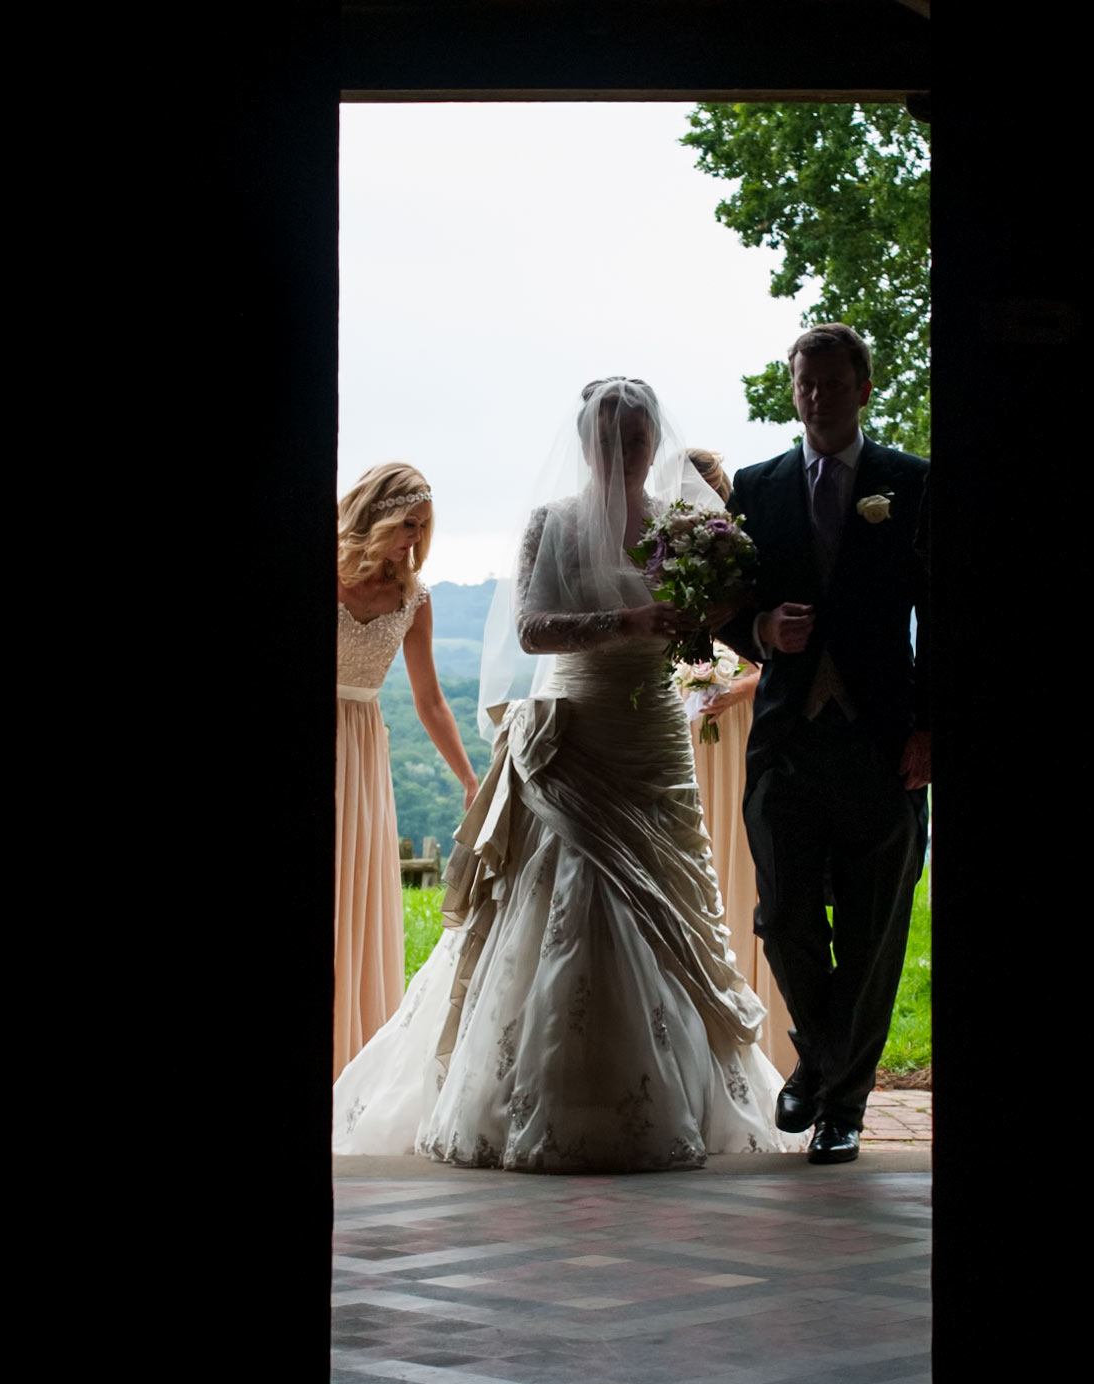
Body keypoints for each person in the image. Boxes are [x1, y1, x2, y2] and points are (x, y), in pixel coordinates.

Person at [332, 379, 798, 1169]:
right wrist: (629, 620)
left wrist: (709, 620)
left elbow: (722, 619)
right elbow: (532, 628)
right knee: (568, 896)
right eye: (611, 439)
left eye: (638, 438)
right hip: (573, 736)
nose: (626, 452)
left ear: (653, 441)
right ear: (587, 444)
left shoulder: (690, 528)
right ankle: (542, 1093)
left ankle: (679, 1092)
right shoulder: (551, 525)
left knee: (668, 902)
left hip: (652, 734)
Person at [720, 323, 931, 1164]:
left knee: (876, 926)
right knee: (784, 917)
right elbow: (725, 602)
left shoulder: (910, 484)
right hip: (785, 737)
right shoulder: (755, 486)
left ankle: (840, 1105)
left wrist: (929, 727)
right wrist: (760, 627)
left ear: (863, 389)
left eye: (834, 384)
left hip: (886, 741)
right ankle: (822, 1058)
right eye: (806, 384)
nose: (818, 399)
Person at [335, 463, 479, 1078]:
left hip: (365, 748)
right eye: (407, 524)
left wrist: (471, 780)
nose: (413, 540)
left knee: (356, 891)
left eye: (422, 529)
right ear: (376, 515)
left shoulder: (413, 599)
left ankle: (350, 1057)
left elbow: (430, 700)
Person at [680, 449, 794, 1078]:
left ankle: (767, 1046)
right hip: (689, 727)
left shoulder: (742, 551)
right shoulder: (669, 552)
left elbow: (764, 646)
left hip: (743, 719)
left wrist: (737, 686)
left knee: (745, 864)